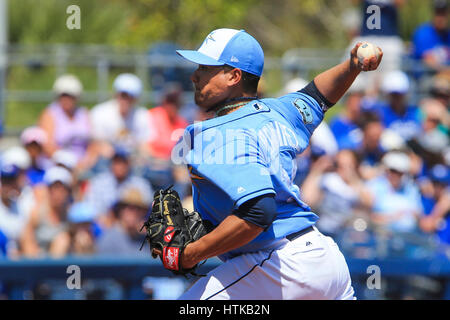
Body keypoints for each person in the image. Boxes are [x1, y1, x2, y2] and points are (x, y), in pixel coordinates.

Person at [161, 28, 382, 300]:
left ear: (234, 76)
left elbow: (258, 213)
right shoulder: (279, 111)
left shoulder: (218, 134)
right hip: (326, 261)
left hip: (281, 266)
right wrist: (352, 67)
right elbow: (318, 95)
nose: (195, 75)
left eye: (206, 68)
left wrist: (190, 255)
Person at [83, 148, 153, 226]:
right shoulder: (98, 182)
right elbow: (91, 209)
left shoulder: (141, 184)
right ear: (111, 164)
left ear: (129, 164)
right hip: (103, 226)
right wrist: (104, 221)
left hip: (134, 228)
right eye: (117, 162)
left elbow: (148, 210)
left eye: (123, 162)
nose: (120, 166)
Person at [89, 73, 149, 154]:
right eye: (123, 95)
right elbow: (96, 143)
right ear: (116, 94)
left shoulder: (142, 115)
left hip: (132, 162)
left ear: (136, 99)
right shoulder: (100, 113)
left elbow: (145, 146)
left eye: (130, 97)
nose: (126, 100)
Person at [365, 151, 423, 233]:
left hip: (408, 239)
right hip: (379, 236)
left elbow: (418, 215)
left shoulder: (411, 189)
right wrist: (394, 217)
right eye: (393, 171)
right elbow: (368, 215)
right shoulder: (374, 186)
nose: (395, 175)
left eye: (400, 172)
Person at [39, 74, 91, 161]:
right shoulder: (50, 114)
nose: (67, 99)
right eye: (64, 95)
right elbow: (47, 146)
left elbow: (92, 143)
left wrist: (85, 163)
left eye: (71, 96)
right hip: (57, 163)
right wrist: (66, 162)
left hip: (82, 164)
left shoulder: (84, 113)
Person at [96, 186, 151, 257]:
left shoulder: (146, 240)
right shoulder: (108, 240)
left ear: (143, 213)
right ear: (120, 210)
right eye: (127, 206)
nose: (133, 212)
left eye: (138, 208)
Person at [412, 0, 450, 72]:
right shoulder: (422, 33)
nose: (440, 18)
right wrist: (446, 71)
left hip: (447, 77)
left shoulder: (448, 35)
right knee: (440, 83)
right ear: (433, 14)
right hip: (426, 77)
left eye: (443, 14)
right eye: (438, 13)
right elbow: (428, 62)